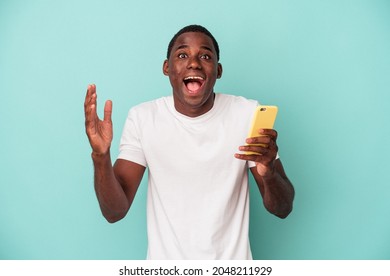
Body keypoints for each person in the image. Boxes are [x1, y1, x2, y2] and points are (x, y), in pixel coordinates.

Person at [84, 24, 294, 260]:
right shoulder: (143, 117)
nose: (194, 63)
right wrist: (100, 156)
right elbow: (115, 212)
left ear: (218, 70)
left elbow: (283, 208)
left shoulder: (247, 114)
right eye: (182, 55)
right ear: (167, 67)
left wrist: (269, 173)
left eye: (205, 56)